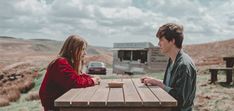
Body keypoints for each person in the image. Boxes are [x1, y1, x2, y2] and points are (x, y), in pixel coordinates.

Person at [141, 23, 197, 111]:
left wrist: (159, 84)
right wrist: (154, 81)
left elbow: (180, 99)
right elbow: (172, 86)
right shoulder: (172, 60)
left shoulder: (184, 65)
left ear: (172, 41)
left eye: (161, 40)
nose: (158, 44)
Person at [39, 35, 100, 111]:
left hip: (61, 105)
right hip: (54, 107)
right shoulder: (60, 63)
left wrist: (90, 78)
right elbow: (75, 82)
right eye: (82, 49)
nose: (85, 53)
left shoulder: (67, 62)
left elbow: (77, 77)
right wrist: (92, 81)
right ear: (73, 49)